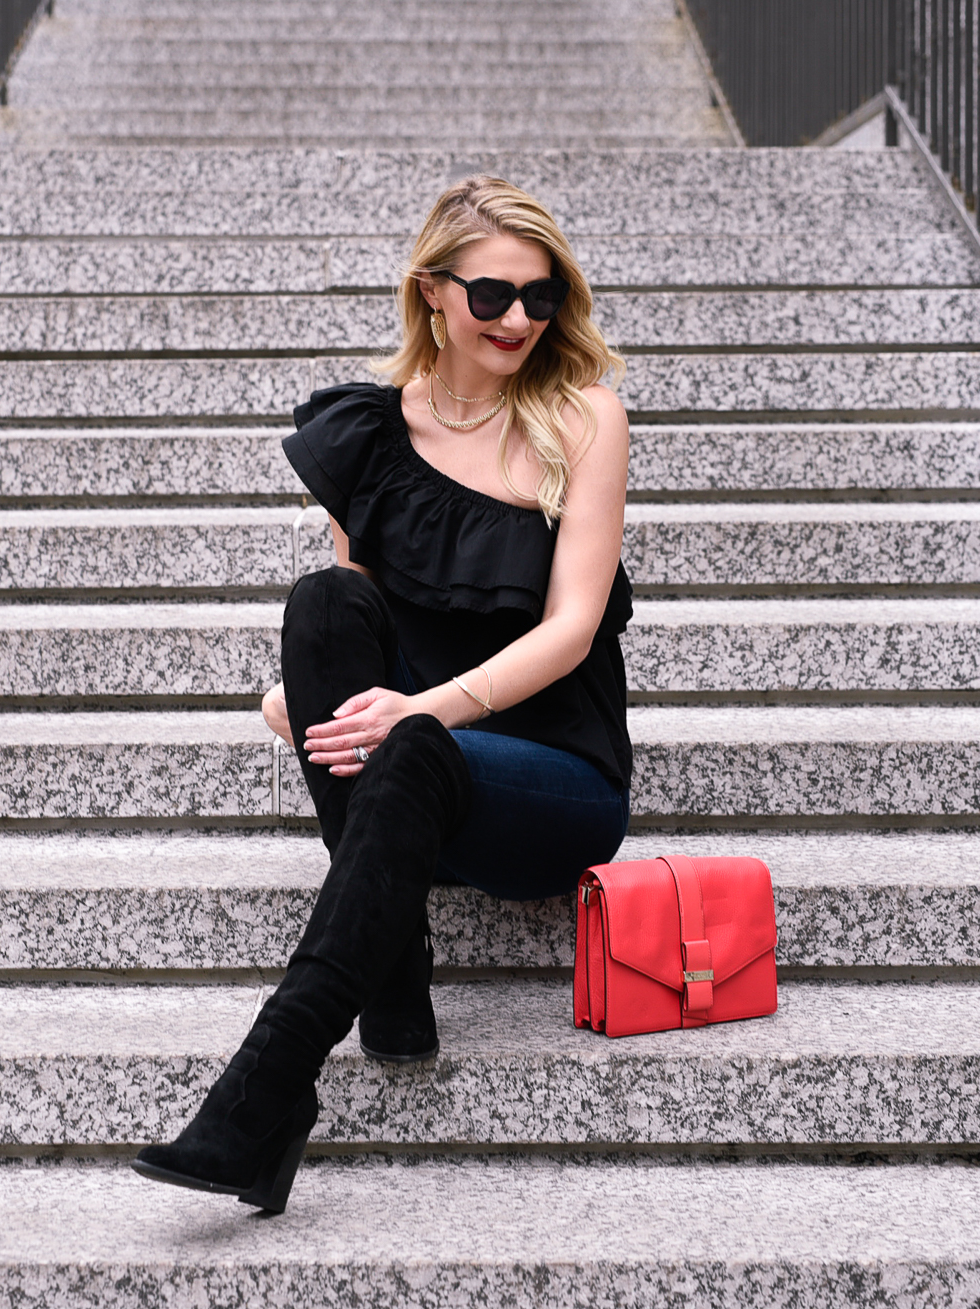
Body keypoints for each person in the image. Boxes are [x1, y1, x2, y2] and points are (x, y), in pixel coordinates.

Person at [132, 175, 632, 1213]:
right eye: (493, 295)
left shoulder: (583, 417)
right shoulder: (371, 428)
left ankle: (271, 1078)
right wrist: (302, 689)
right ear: (433, 292)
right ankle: (393, 971)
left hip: (553, 777)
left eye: (542, 299)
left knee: (411, 742)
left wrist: (426, 707)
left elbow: (573, 627)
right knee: (322, 605)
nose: (519, 321)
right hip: (415, 767)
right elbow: (358, 614)